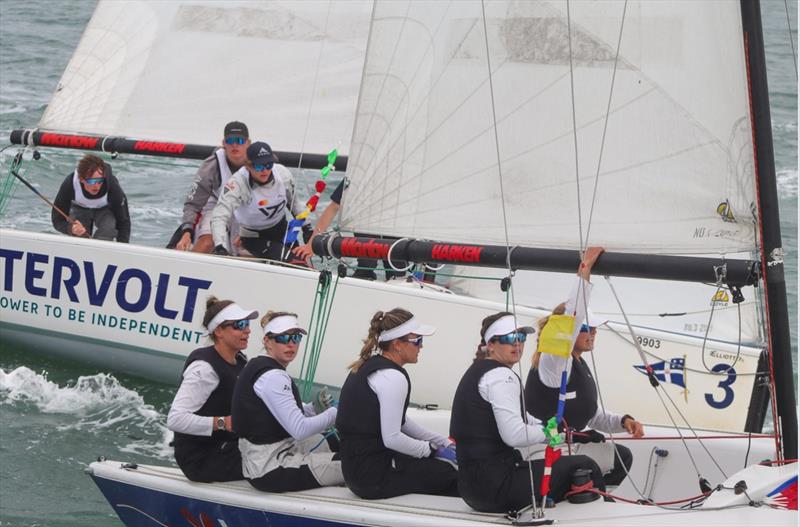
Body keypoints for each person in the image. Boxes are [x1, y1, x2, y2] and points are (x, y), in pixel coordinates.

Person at [450, 250, 608, 513]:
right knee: (584, 465)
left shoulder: (480, 371)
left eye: (521, 338)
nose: (518, 345)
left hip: (476, 487)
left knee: (570, 465)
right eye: (511, 339)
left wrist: (546, 426)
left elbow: (521, 418)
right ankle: (607, 513)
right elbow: (513, 434)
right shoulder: (500, 377)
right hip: (496, 487)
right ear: (490, 345)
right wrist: (549, 435)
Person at [336, 308, 459, 499]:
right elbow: (392, 438)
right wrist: (431, 451)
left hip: (358, 469)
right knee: (451, 474)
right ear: (397, 345)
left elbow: (400, 422)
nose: (421, 346)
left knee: (440, 466)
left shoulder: (369, 365)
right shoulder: (393, 377)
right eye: (417, 340)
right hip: (372, 477)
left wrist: (441, 441)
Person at [526, 304, 644, 487]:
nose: (594, 332)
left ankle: (594, 497)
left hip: (568, 447)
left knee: (621, 456)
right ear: (568, 332)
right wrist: (581, 288)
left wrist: (624, 421)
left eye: (595, 328)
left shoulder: (578, 361)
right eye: (586, 328)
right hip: (546, 449)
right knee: (612, 460)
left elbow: (592, 414)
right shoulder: (554, 364)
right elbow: (557, 346)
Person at [231, 311, 344, 492]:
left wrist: (313, 409)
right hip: (272, 468)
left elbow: (276, 415)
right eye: (283, 338)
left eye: (296, 338)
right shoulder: (273, 377)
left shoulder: (259, 366)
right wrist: (335, 413)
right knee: (356, 466)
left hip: (267, 456)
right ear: (267, 341)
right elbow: (299, 429)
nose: (291, 344)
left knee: (336, 444)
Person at [166, 296, 258, 482]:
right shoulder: (204, 368)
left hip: (228, 447)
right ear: (219, 331)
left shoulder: (240, 360)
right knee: (273, 459)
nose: (247, 330)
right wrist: (223, 422)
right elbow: (175, 419)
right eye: (239, 325)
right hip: (202, 460)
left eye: (247, 324)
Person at [292, 179, 407, 280]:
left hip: (395, 225)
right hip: (369, 224)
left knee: (396, 270)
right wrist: (311, 244)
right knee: (369, 267)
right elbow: (334, 207)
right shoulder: (357, 175)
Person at [210, 141, 305, 261]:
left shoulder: (282, 174)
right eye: (259, 166)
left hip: (282, 230)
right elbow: (219, 216)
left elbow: (294, 203)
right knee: (293, 261)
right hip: (254, 238)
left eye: (269, 165)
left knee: (302, 260)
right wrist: (220, 246)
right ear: (248, 166)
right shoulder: (237, 184)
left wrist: (307, 228)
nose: (265, 171)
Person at [172, 121, 250, 253]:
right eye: (230, 140)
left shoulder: (261, 164)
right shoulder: (211, 165)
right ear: (224, 143)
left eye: (240, 141)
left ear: (248, 143)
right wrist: (186, 232)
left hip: (247, 209)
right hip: (217, 205)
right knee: (208, 242)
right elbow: (193, 204)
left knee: (246, 250)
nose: (235, 145)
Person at [52, 153, 130, 242]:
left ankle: (101, 251)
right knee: (79, 235)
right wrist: (71, 228)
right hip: (80, 208)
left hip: (104, 209)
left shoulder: (112, 186)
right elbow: (57, 220)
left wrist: (122, 246)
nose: (96, 186)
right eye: (91, 181)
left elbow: (124, 221)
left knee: (108, 229)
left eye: (100, 181)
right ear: (81, 179)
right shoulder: (70, 184)